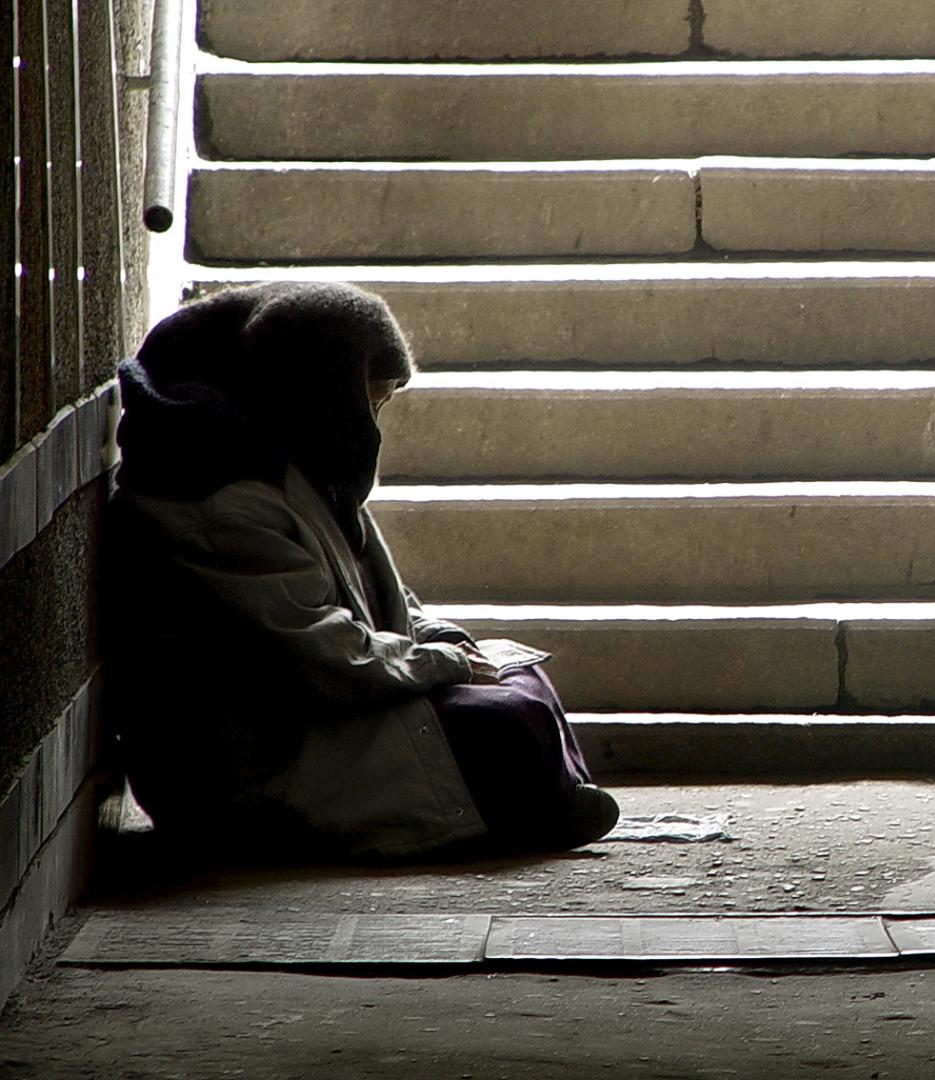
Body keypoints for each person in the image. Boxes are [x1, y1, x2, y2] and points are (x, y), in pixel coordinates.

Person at [102, 281, 619, 860]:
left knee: (523, 679)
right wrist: (443, 664)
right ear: (323, 394)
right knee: (504, 721)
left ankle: (546, 798)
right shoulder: (215, 501)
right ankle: (535, 807)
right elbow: (322, 654)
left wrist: (447, 640)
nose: (371, 424)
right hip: (264, 757)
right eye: (368, 404)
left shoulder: (295, 463)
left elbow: (377, 594)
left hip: (331, 711)